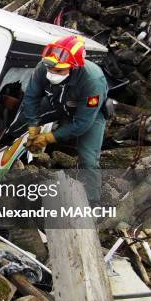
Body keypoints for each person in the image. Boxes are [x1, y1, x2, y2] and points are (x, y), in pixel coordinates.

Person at [22, 36, 108, 200]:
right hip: (57, 103)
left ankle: (92, 200)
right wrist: (33, 129)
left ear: (74, 67)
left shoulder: (93, 80)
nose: (52, 74)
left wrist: (47, 138)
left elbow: (82, 123)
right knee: (22, 118)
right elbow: (31, 97)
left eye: (59, 71)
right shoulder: (44, 66)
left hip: (88, 115)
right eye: (50, 69)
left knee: (89, 159)